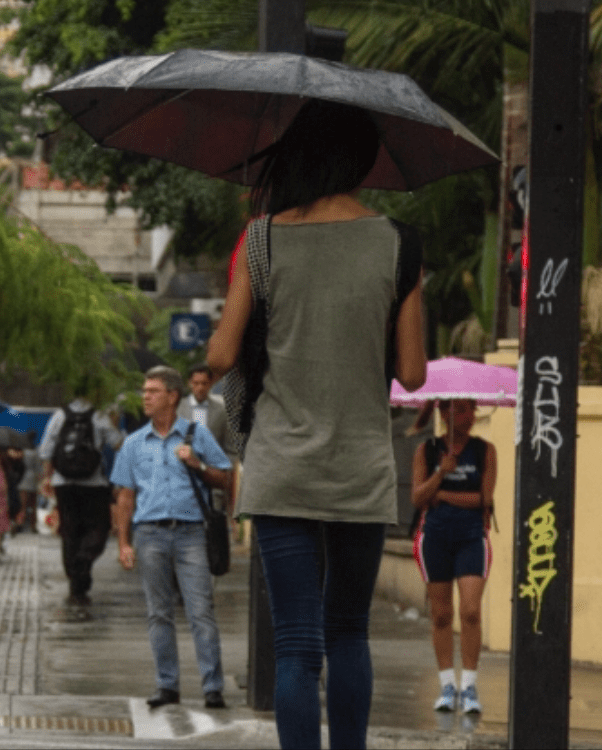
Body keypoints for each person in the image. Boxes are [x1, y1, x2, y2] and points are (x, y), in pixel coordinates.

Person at [207, 99, 428, 750]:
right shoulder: (398, 242)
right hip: (359, 466)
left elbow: (221, 356)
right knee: (349, 632)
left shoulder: (263, 238)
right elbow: (413, 373)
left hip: (281, 466)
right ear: (359, 162)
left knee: (297, 645)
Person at [111, 366, 233, 710]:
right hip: (149, 535)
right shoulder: (134, 443)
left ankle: (213, 687)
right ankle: (167, 685)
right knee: (158, 613)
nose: (145, 396)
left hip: (192, 533)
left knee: (201, 611)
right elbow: (124, 496)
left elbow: (224, 477)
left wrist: (197, 464)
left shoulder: (196, 435)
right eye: (144, 390)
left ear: (172, 396)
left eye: (153, 391)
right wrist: (124, 543)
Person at [411, 399, 496, 715]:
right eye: (461, 410)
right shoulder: (427, 451)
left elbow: (484, 499)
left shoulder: (484, 451)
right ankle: (448, 684)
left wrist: (443, 494)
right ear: (445, 414)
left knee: (471, 610)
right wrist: (439, 475)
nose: (470, 416)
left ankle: (469, 685)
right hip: (435, 539)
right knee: (442, 614)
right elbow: (418, 497)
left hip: (471, 539)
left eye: (472, 409)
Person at [38, 390, 122, 606]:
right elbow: (118, 443)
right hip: (93, 484)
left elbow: (46, 450)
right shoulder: (100, 416)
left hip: (63, 483)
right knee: (98, 528)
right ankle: (84, 561)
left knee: (69, 531)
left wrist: (47, 478)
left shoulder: (59, 415)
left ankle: (75, 581)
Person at [177, 363, 238, 524]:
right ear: (189, 383)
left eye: (204, 383)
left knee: (212, 522)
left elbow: (230, 448)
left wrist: (226, 473)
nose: (200, 388)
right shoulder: (178, 408)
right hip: (184, 477)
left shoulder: (221, 411)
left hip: (213, 478)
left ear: (210, 384)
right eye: (196, 383)